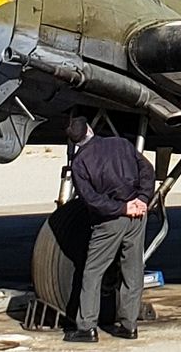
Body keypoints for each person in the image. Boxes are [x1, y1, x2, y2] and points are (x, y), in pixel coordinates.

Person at [63, 116, 154, 343]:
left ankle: (86, 327)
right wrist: (142, 199)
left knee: (92, 272)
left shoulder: (79, 163)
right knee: (132, 271)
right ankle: (129, 326)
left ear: (76, 141)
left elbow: (91, 200)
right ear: (91, 130)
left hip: (110, 220)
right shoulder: (121, 144)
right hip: (137, 216)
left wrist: (122, 208)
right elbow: (147, 169)